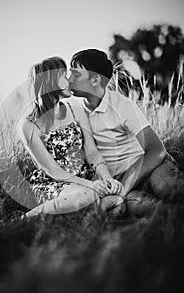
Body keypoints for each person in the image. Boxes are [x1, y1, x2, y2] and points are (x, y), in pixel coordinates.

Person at [68, 49, 184, 214]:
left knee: (167, 186)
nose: (69, 79)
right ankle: (174, 216)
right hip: (118, 181)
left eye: (76, 74)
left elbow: (156, 150)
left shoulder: (122, 105)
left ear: (95, 80)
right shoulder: (78, 114)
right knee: (137, 205)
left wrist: (124, 188)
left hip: (149, 168)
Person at [18, 57, 125, 218]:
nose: (70, 79)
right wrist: (91, 185)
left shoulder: (76, 110)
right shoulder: (28, 125)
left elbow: (92, 152)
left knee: (116, 204)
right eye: (63, 75)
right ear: (50, 82)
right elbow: (52, 170)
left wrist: (107, 178)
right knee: (88, 196)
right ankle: (22, 220)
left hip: (84, 180)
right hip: (54, 183)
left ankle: (73, 218)